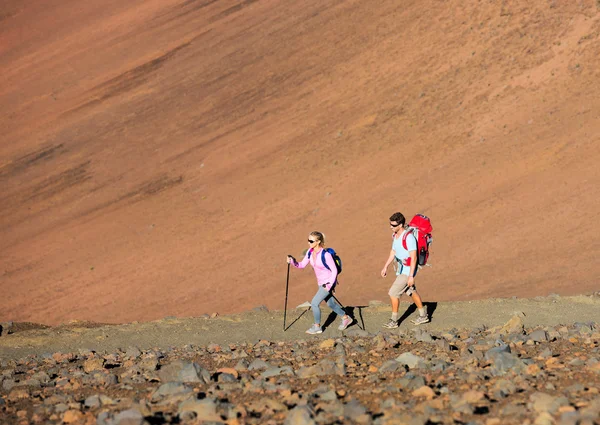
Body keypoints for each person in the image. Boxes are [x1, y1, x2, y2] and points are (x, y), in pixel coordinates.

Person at [287, 231, 353, 334]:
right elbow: (301, 265)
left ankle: (317, 326)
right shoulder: (310, 252)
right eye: (308, 240)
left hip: (328, 283)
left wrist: (329, 285)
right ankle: (346, 318)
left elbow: (334, 270)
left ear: (318, 242)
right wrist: (292, 261)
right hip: (320, 283)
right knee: (331, 304)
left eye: (311, 241)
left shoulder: (325, 255)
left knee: (314, 303)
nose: (309, 242)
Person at [380, 212, 429, 328]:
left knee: (393, 293)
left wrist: (411, 276)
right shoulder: (395, 236)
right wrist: (385, 266)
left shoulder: (409, 237)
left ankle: (394, 321)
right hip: (402, 269)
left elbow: (414, 257)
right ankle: (423, 316)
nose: (391, 227)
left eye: (393, 225)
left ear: (401, 224)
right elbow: (393, 251)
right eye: (390, 224)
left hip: (408, 270)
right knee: (410, 291)